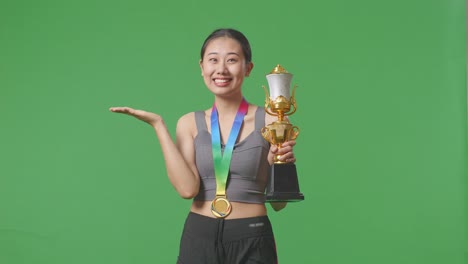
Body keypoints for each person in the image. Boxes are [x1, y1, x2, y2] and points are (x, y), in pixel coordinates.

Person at [109, 28, 296, 264]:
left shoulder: (272, 121)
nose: (221, 69)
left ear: (248, 68)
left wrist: (276, 165)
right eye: (213, 60)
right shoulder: (189, 123)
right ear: (202, 67)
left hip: (252, 235)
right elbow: (187, 190)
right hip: (199, 235)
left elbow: (279, 204)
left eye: (232, 60)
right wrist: (158, 125)